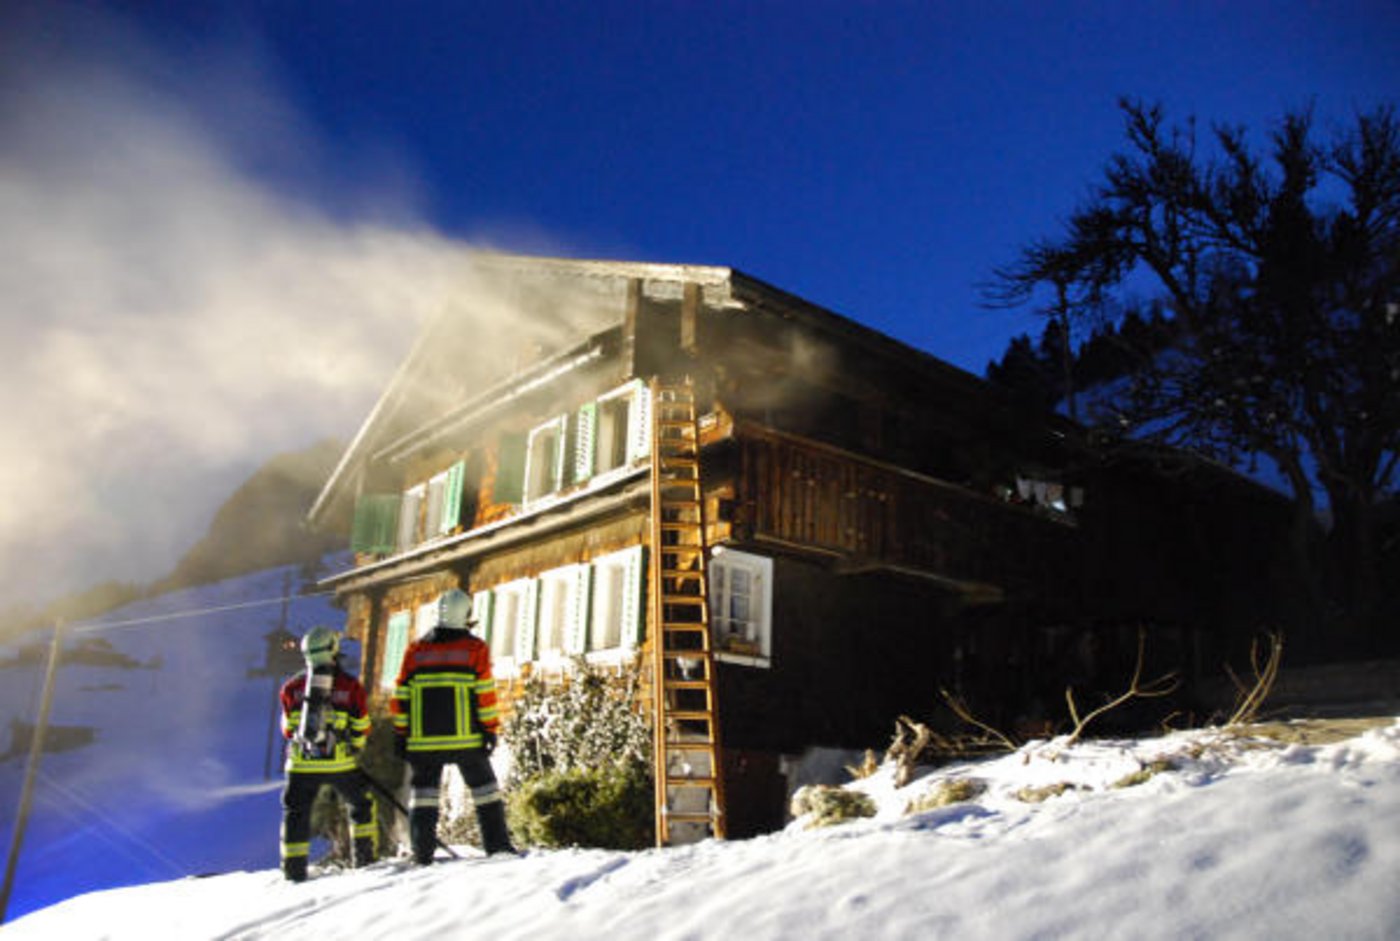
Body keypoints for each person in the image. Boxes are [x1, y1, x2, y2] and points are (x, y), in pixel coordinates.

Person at [392, 588, 517, 862]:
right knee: (486, 794)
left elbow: (401, 695)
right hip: (466, 741)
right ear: (466, 616)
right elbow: (484, 694)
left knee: (423, 798)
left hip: (423, 743)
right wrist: (489, 729)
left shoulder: (416, 651)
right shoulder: (475, 649)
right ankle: (498, 848)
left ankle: (421, 853)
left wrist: (401, 734)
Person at [277, 625, 377, 882]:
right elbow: (361, 727)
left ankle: (293, 869)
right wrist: (354, 746)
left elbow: (288, 730)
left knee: (296, 813)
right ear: (333, 649)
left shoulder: (291, 688)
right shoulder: (350, 686)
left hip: (301, 764)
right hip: (339, 764)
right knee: (361, 805)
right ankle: (364, 861)